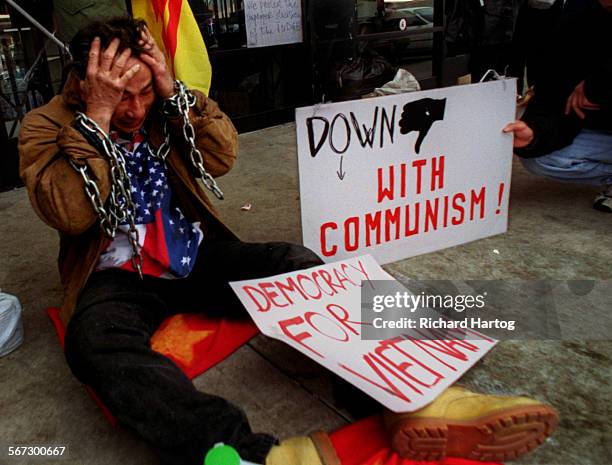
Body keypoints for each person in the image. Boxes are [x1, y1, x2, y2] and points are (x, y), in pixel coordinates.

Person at [19, 17, 558, 465]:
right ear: (83, 84)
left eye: (141, 92)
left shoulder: (163, 105)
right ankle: (247, 454)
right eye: (121, 96)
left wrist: (176, 96)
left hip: (194, 250)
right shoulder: (45, 125)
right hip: (117, 273)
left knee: (300, 266)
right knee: (93, 344)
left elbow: (223, 157)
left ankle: (428, 400)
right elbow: (67, 211)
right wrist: (97, 118)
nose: (135, 110)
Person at [504, 0, 612, 213]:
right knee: (541, 157)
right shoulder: (577, 17)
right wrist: (534, 132)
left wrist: (600, 83)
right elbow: (554, 89)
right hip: (601, 131)